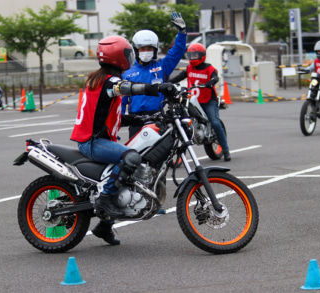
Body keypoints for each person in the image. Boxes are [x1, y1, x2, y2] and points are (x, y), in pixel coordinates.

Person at [70, 36, 177, 245]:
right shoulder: (110, 81)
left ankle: (104, 226)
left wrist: (143, 118)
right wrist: (159, 88)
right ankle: (105, 198)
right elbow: (129, 88)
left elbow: (113, 116)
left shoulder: (102, 80)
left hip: (99, 138)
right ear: (118, 57)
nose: (131, 56)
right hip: (92, 141)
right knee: (131, 157)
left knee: (126, 172)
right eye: (128, 53)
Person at [122, 12, 187, 139]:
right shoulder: (126, 72)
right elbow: (121, 102)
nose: (146, 52)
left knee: (162, 154)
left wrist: (182, 32)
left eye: (149, 48)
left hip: (158, 119)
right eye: (142, 49)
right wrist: (115, 126)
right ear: (136, 50)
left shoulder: (163, 66)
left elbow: (177, 52)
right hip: (135, 121)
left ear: (155, 50)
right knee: (136, 157)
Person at [169, 43, 231, 161]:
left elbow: (215, 77)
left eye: (195, 55)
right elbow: (179, 77)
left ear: (202, 55)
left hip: (208, 100)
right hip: (193, 99)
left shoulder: (209, 68)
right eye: (191, 55)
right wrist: (168, 83)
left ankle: (226, 150)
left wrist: (211, 82)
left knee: (215, 123)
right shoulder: (189, 68)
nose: (193, 58)